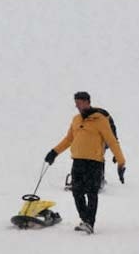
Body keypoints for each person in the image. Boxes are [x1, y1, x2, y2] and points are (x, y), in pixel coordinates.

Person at [44, 91, 126, 234]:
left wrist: (121, 161)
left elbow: (111, 140)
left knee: (91, 192)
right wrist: (54, 152)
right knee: (76, 191)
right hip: (78, 161)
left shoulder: (100, 119)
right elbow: (69, 139)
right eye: (76, 104)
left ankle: (89, 223)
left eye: (80, 103)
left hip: (94, 162)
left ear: (88, 102)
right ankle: (85, 219)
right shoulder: (76, 119)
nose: (78, 106)